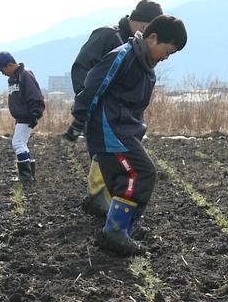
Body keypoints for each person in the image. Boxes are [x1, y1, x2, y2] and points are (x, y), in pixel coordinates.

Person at [65, 15, 187, 256]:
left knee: (126, 178)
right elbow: (94, 85)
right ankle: (115, 231)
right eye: (167, 50)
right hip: (110, 130)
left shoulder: (146, 68)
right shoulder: (123, 56)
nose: (166, 57)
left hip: (123, 131)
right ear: (153, 38)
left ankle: (118, 231)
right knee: (140, 173)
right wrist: (79, 119)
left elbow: (134, 108)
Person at [68, 0, 163, 218]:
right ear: (143, 25)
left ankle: (104, 205)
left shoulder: (139, 48)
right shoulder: (107, 37)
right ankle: (105, 208)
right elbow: (82, 69)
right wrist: (91, 104)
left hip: (123, 119)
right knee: (108, 161)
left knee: (113, 164)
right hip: (102, 116)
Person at [0, 51, 45, 184]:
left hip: (27, 116)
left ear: (10, 65)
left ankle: (25, 176)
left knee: (17, 143)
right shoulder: (13, 77)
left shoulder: (24, 75)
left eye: (2, 69)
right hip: (21, 117)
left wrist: (35, 114)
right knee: (22, 143)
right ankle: (29, 175)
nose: (2, 73)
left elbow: (35, 95)